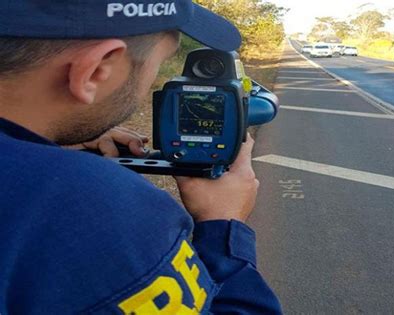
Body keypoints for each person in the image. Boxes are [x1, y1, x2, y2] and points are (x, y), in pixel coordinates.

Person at [0, 1, 283, 314]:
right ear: (95, 71)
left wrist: (46, 140)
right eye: (161, 64)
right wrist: (224, 226)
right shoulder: (97, 206)